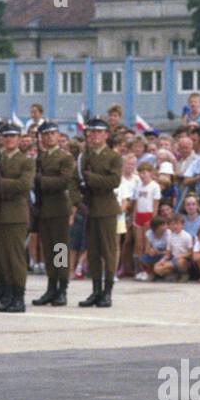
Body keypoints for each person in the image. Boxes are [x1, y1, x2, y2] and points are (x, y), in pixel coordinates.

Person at [0, 122, 34, 313]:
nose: (9, 140)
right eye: (6, 137)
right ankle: (8, 293)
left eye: (13, 136)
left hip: (19, 214)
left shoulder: (25, 161)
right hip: (0, 214)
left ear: (19, 139)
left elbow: (24, 185)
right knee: (4, 258)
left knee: (58, 250)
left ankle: (59, 286)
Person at [78, 117, 122, 307]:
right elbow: (75, 180)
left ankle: (107, 291)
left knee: (108, 252)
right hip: (89, 208)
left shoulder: (113, 157)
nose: (94, 135)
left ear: (106, 135)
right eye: (91, 132)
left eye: (98, 132)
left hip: (105, 208)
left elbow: (114, 181)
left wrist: (91, 178)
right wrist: (78, 202)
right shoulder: (84, 156)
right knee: (93, 252)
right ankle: (96, 290)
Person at [31, 121, 76, 306]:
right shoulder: (39, 158)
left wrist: (41, 180)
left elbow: (64, 181)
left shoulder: (64, 157)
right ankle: (51, 287)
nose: (49, 137)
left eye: (52, 134)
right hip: (44, 209)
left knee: (60, 250)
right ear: (41, 138)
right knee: (49, 251)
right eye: (46, 134)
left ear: (58, 136)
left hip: (58, 209)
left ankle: (62, 288)